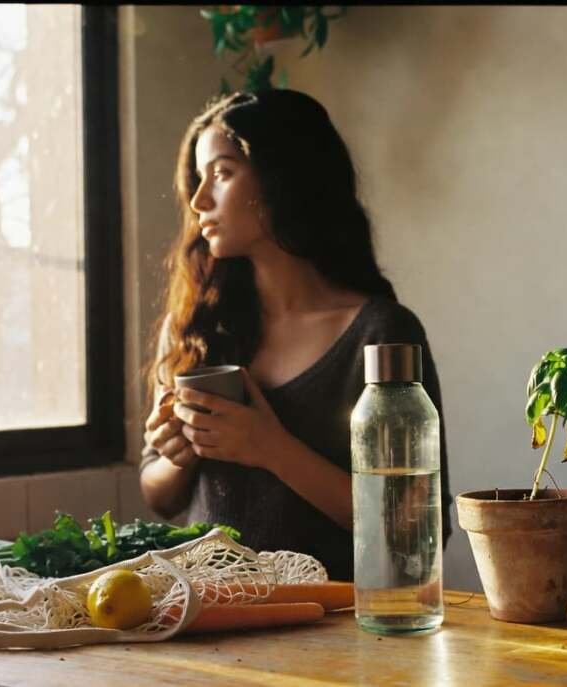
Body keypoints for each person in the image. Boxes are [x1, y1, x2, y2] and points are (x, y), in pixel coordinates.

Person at [139, 89, 451, 582]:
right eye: (199, 180)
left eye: (221, 174)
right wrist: (178, 454)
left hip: (336, 629)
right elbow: (159, 493)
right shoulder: (199, 330)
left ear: (282, 178)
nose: (199, 201)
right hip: (209, 619)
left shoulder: (383, 333)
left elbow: (413, 526)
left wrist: (270, 449)